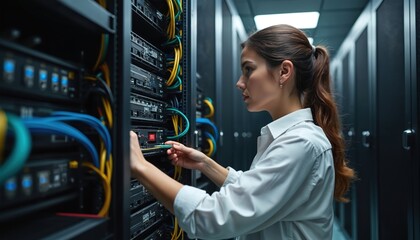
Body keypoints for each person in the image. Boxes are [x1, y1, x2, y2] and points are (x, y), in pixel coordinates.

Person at [130, 24, 355, 239]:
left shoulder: (300, 143)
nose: (240, 82)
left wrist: (140, 166)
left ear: (284, 72)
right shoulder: (296, 138)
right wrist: (205, 164)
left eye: (248, 70)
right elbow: (257, 189)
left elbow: (212, 217)